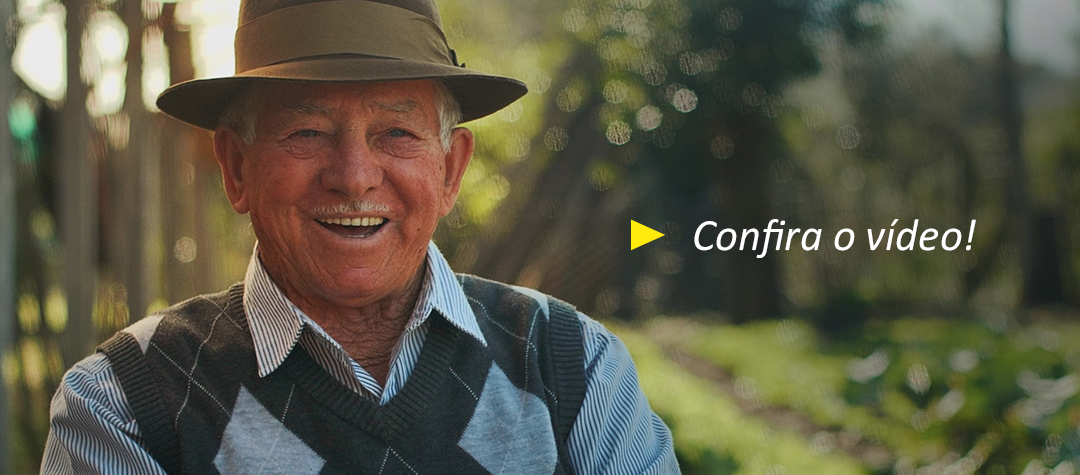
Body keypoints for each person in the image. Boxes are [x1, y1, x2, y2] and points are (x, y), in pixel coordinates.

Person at [41, 0, 679, 473]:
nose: (353, 177)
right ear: (237, 168)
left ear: (451, 168)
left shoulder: (573, 368)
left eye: (396, 133)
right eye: (307, 132)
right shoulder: (126, 404)